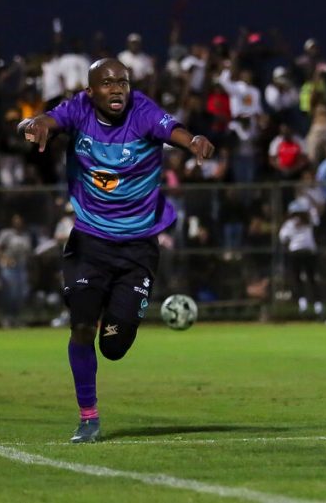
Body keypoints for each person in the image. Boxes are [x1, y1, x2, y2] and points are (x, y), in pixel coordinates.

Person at [18, 58, 214, 444]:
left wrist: (192, 141)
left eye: (122, 82)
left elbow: (171, 128)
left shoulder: (142, 111)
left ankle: (114, 307)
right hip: (90, 243)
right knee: (81, 328)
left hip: (138, 250)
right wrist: (37, 124)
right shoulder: (78, 109)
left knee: (113, 347)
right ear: (91, 91)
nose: (117, 89)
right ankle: (88, 418)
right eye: (107, 83)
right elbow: (49, 120)